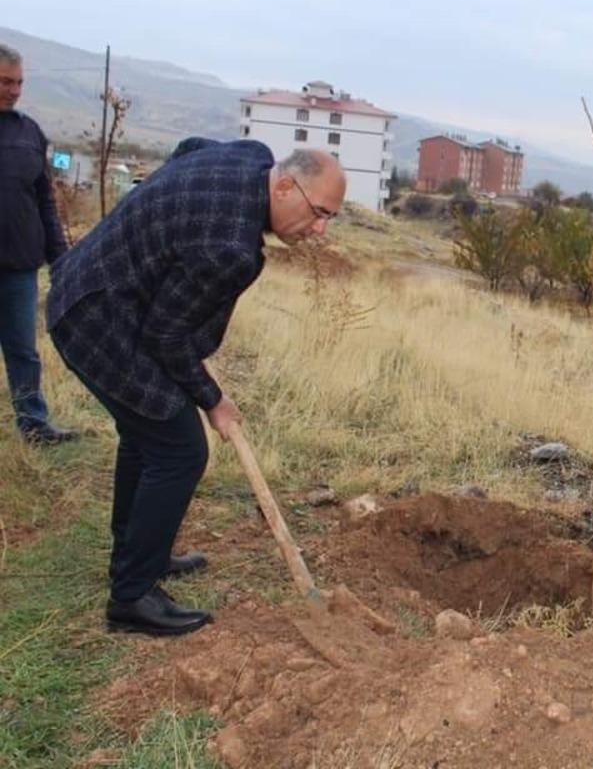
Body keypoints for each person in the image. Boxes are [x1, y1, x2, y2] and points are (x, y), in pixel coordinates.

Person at [47, 140, 346, 635]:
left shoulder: (251, 157)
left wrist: (163, 231)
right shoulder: (229, 248)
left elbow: (189, 149)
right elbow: (164, 336)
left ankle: (139, 551)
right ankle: (131, 599)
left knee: (150, 434)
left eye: (331, 217)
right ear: (286, 185)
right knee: (179, 449)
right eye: (318, 214)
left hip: (101, 286)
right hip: (98, 319)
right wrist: (214, 400)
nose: (320, 230)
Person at [0, 43, 77, 445]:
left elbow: (45, 201)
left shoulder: (30, 133)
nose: (14, 91)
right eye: (5, 82)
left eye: (19, 83)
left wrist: (60, 258)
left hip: (18, 268)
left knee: (22, 351)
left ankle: (34, 425)